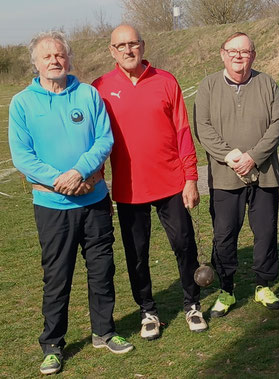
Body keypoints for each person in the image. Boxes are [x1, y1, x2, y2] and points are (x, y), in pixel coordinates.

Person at [8, 31, 133, 376]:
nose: (54, 61)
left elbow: (104, 138)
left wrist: (79, 171)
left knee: (102, 270)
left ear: (68, 58)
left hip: (93, 201)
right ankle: (52, 345)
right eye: (46, 56)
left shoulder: (88, 94)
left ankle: (104, 331)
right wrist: (59, 179)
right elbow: (23, 156)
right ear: (35, 63)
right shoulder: (22, 103)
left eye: (59, 55)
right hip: (52, 206)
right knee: (57, 276)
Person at [92, 24, 207, 338]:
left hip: (172, 184)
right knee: (136, 254)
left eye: (133, 44)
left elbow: (183, 133)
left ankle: (192, 304)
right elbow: (96, 142)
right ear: (111, 50)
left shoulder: (166, 80)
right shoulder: (100, 87)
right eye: (121, 46)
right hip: (129, 190)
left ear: (142, 46)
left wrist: (191, 178)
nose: (128, 51)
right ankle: (148, 312)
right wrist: (101, 187)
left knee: (184, 246)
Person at [194, 32, 279, 317]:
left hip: (264, 174)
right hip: (225, 176)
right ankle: (227, 290)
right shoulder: (208, 86)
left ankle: (263, 285)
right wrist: (230, 156)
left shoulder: (266, 83)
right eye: (232, 51)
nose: (238, 56)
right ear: (222, 54)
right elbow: (203, 126)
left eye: (244, 51)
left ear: (253, 56)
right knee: (224, 235)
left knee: (266, 232)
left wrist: (253, 157)